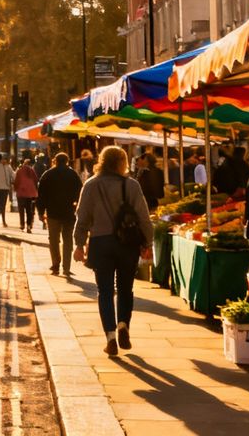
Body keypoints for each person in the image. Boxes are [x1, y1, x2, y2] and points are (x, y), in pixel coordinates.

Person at [73, 146, 154, 357]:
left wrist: (79, 245)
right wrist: (148, 243)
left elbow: (82, 218)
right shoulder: (132, 185)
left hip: (101, 243)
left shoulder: (91, 185)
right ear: (123, 162)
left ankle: (110, 337)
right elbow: (144, 218)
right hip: (127, 244)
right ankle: (123, 325)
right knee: (126, 289)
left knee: (105, 291)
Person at [37, 152, 83, 276]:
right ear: (67, 161)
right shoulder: (73, 174)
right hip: (68, 213)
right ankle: (66, 267)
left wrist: (41, 212)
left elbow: (41, 195)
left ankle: (55, 264)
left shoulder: (48, 174)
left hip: (53, 213)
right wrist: (76, 206)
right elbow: (80, 192)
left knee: (53, 240)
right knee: (67, 240)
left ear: (55, 161)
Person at [14, 158, 40, 232]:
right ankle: (28, 226)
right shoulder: (32, 171)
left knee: (21, 210)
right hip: (30, 194)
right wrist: (35, 191)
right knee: (29, 210)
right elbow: (36, 180)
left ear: (24, 164)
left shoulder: (19, 171)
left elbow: (16, 181)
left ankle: (22, 225)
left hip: (21, 193)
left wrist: (16, 189)